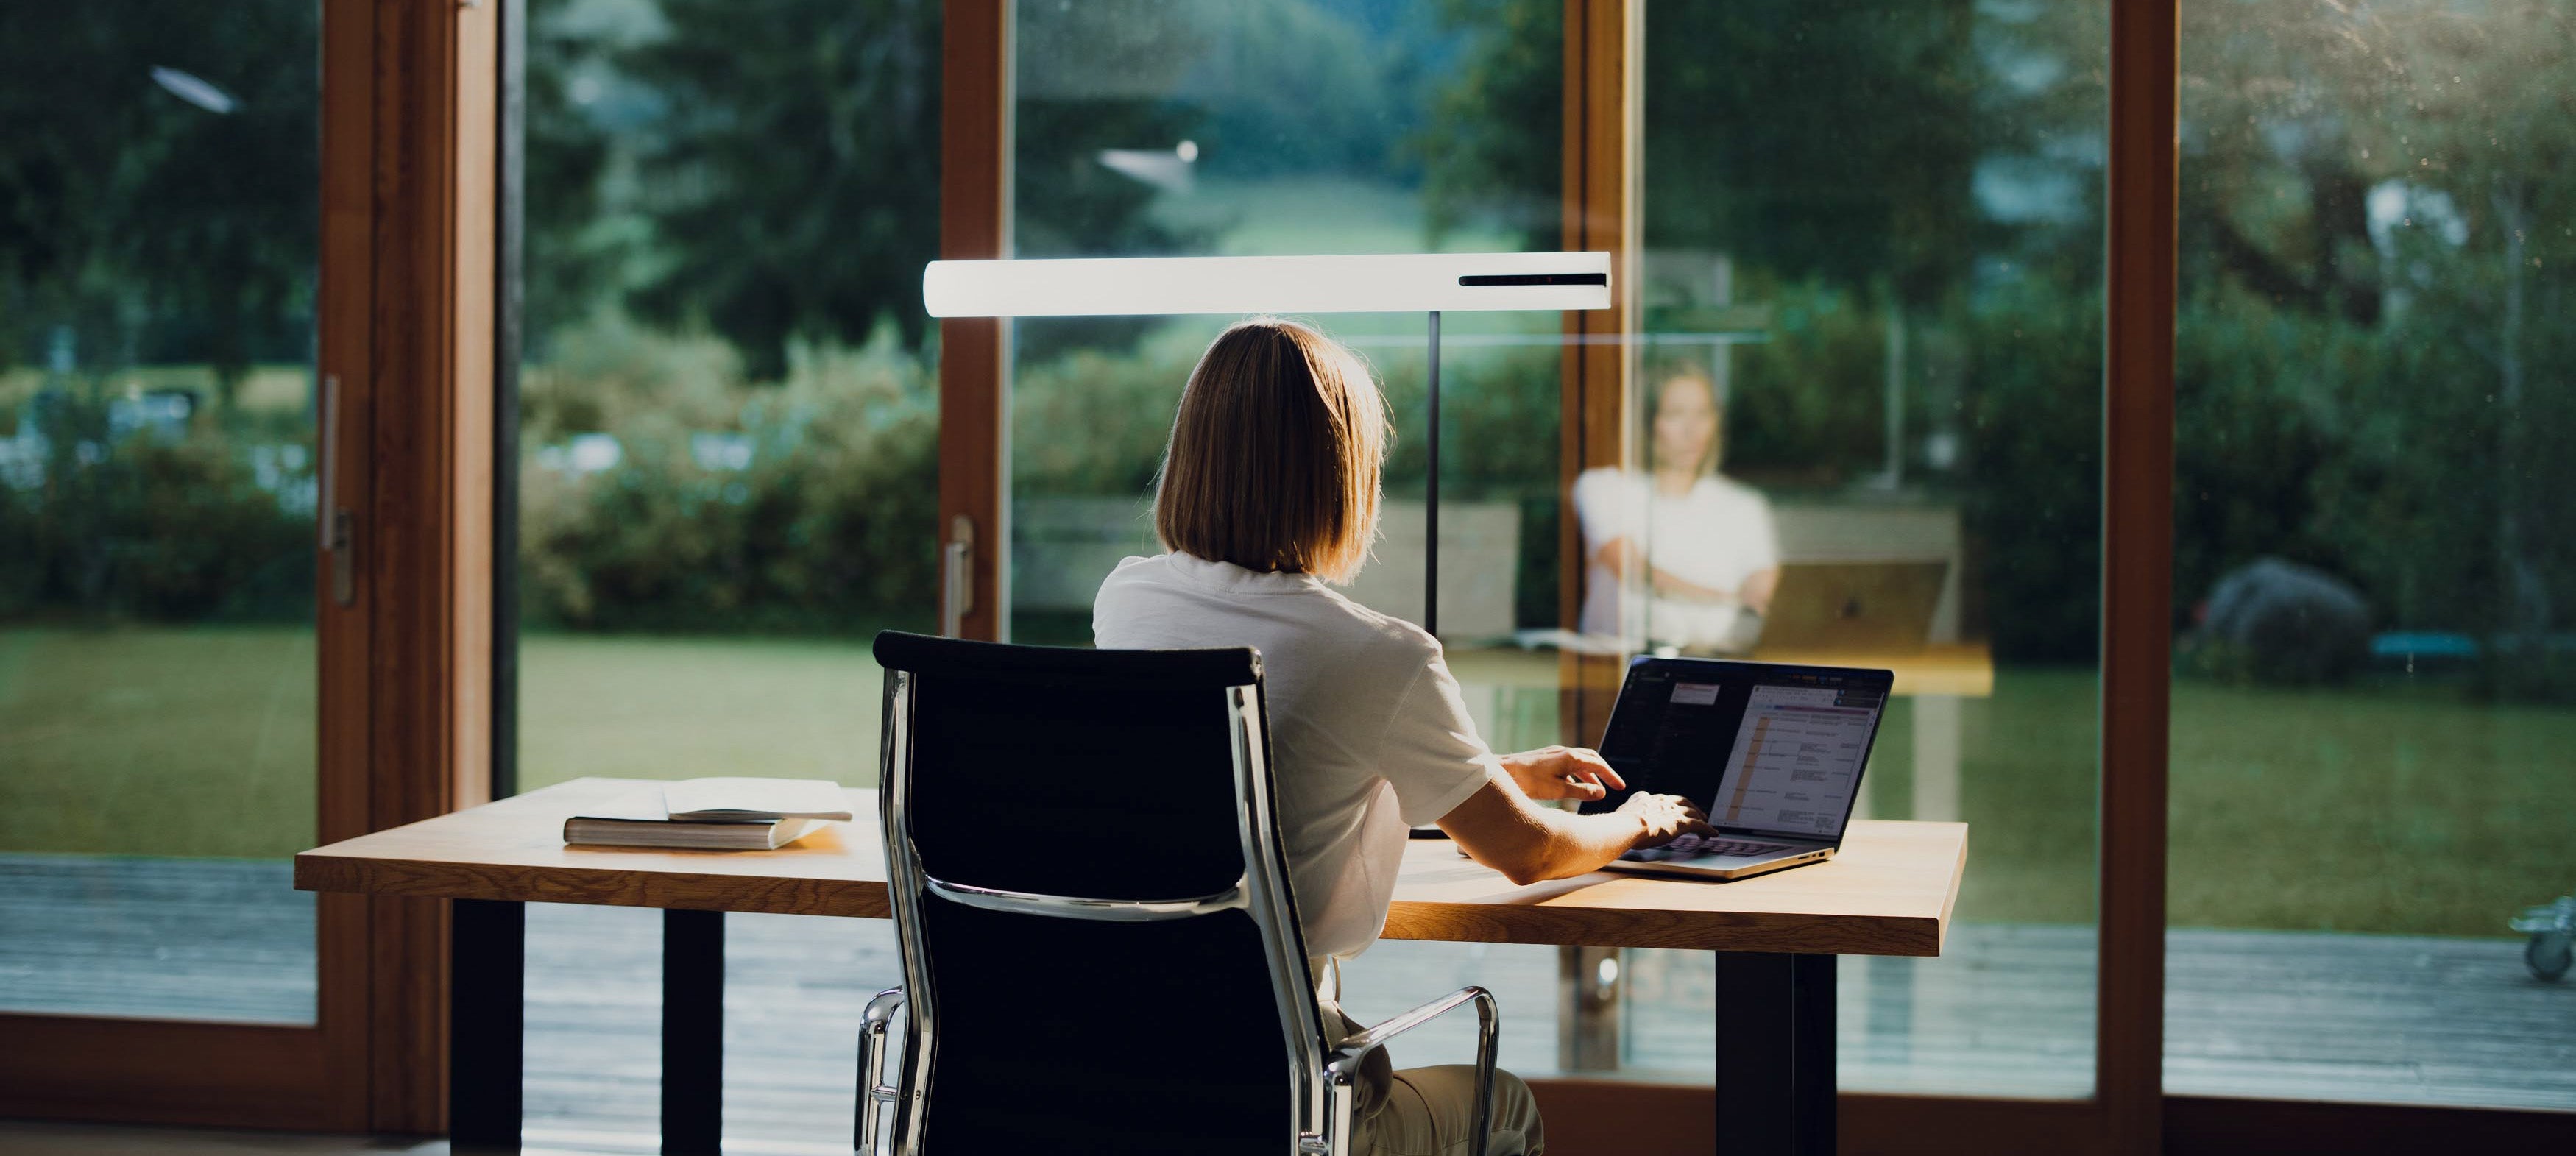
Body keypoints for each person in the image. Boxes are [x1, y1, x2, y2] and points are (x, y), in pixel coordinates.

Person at [1094, 318, 1712, 1156]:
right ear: (1339, 476)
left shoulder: (1127, 602)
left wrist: (1494, 770)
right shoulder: (1376, 654)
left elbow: (1252, 770)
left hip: (1121, 1075)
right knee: (1506, 1106)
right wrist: (1637, 817)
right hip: (1285, 1104)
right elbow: (1527, 854)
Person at [1571, 361, 1780, 653]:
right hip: (1620, 668)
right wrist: (1725, 600)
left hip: (1720, 665)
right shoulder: (1603, 488)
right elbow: (1633, 570)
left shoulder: (1746, 505)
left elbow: (1758, 596)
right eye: (1674, 414)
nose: (1692, 430)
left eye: (1703, 414)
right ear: (1644, 422)